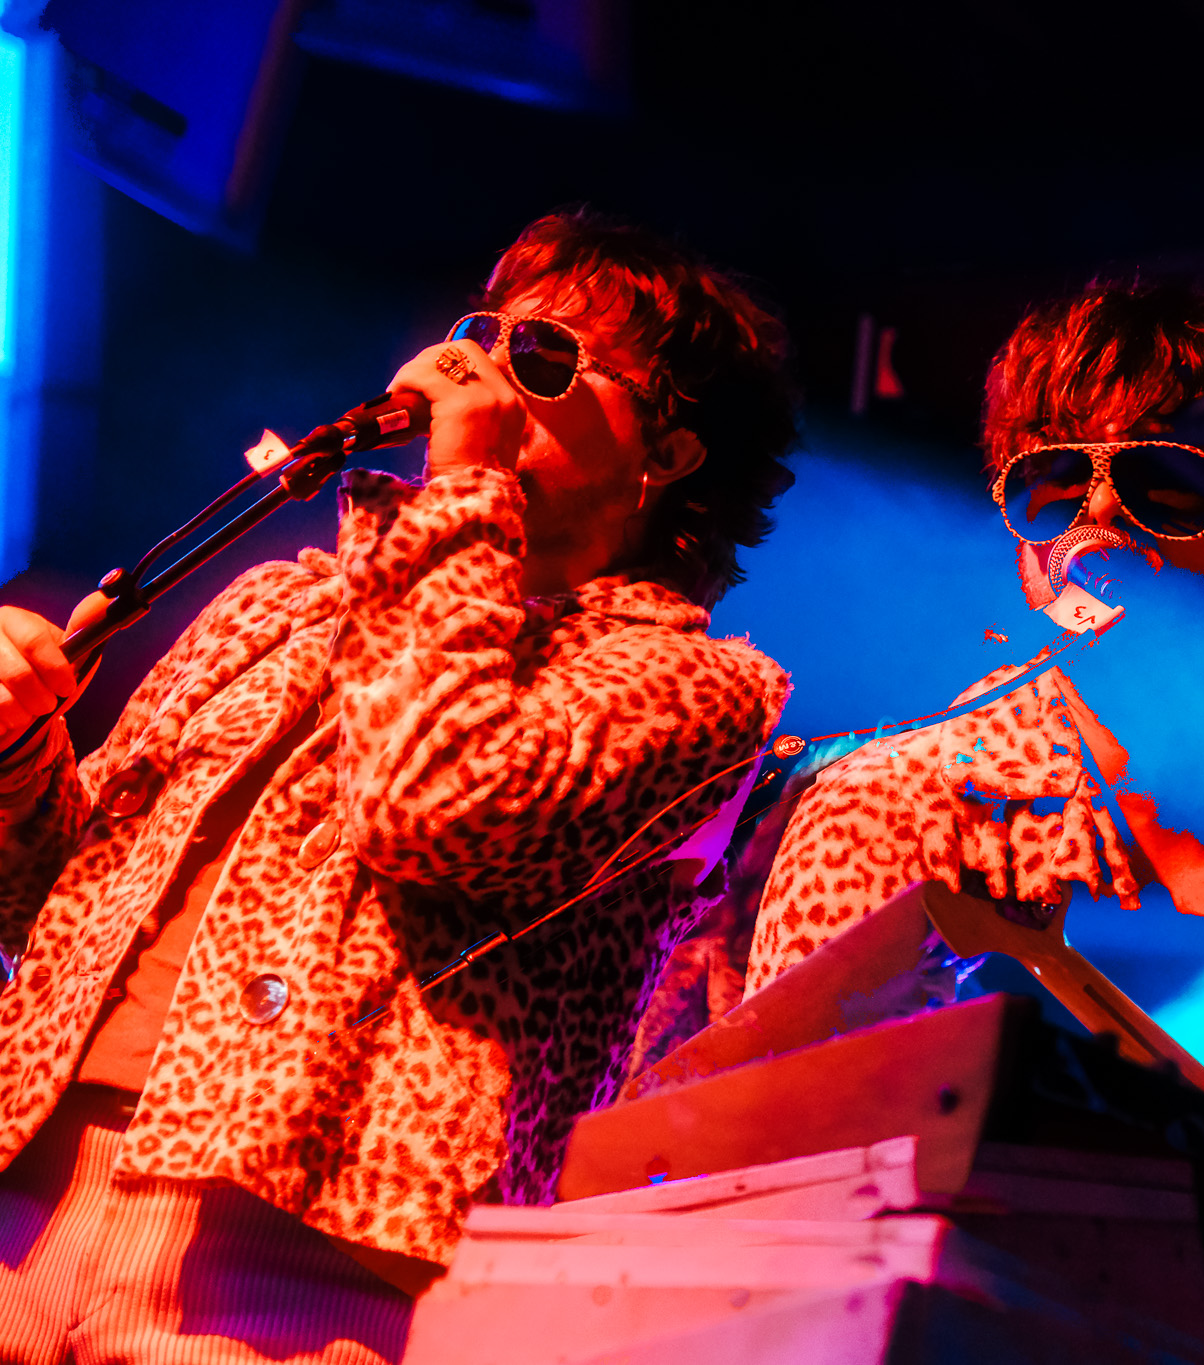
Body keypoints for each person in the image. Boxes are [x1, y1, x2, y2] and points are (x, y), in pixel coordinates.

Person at [0, 209, 797, 1361]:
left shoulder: (693, 685)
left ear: (668, 454)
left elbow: (434, 805)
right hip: (26, 1187)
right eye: (484, 335)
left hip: (304, 1265)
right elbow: (46, 910)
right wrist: (18, 751)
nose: (485, 372)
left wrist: (466, 485)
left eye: (545, 358)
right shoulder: (283, 604)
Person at [708, 282, 1204, 1078]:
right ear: (1025, 558)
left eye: (1165, 482)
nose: (1099, 513)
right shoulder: (900, 809)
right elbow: (788, 1126)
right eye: (1056, 484)